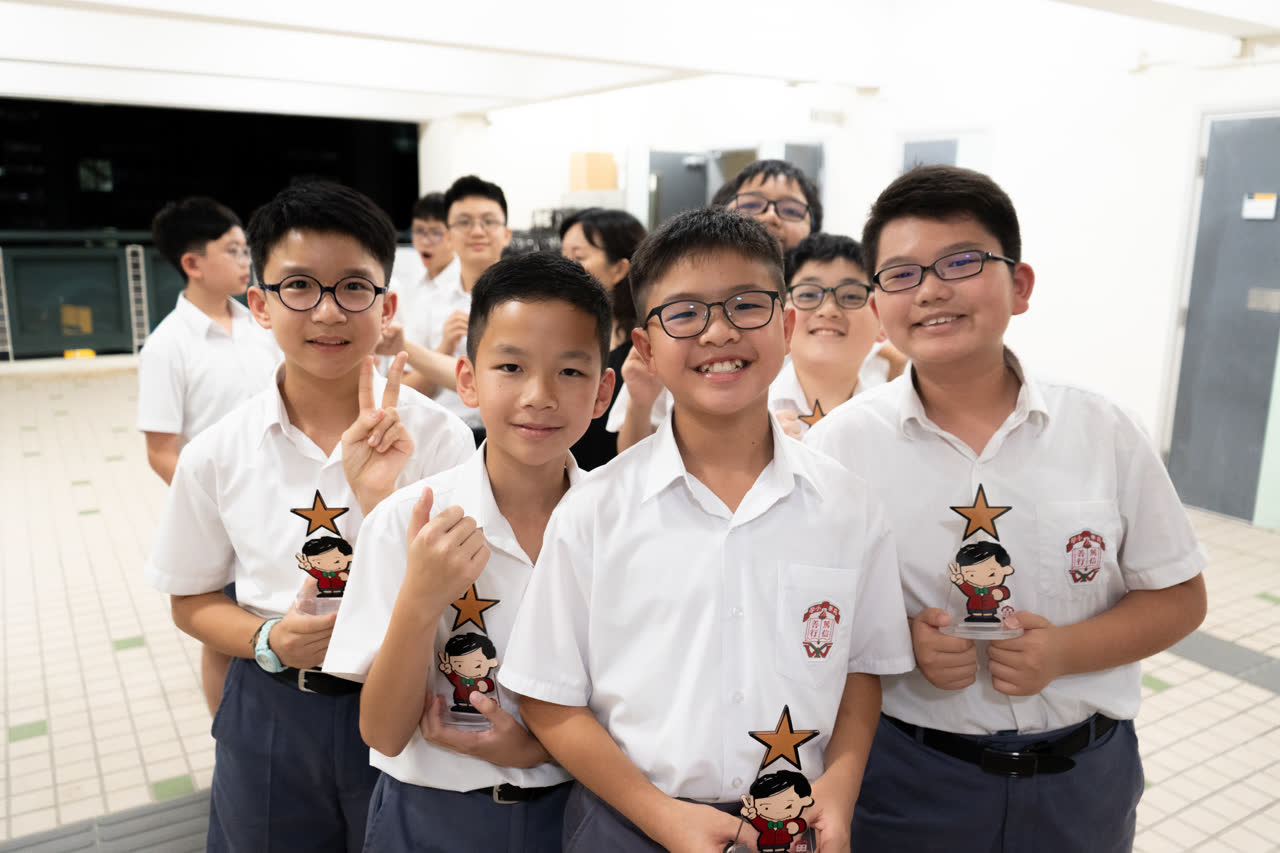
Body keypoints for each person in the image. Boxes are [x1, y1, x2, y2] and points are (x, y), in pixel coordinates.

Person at [806, 165, 1208, 852]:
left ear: (1019, 285)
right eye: (900, 274)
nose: (930, 289)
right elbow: (805, 615)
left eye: (961, 262)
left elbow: (1180, 597)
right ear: (877, 306)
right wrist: (900, 642)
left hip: (1083, 779)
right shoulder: (838, 447)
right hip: (908, 779)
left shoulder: (1104, 429)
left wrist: (1066, 651)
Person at [499, 208, 914, 853]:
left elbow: (861, 669)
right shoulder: (594, 512)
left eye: (746, 305)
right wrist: (663, 817)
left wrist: (840, 784)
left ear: (786, 325)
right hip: (630, 823)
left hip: (793, 826)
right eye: (685, 313)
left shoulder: (848, 507)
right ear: (645, 348)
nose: (719, 331)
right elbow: (549, 699)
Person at [143, 180, 475, 851]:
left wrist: (384, 502)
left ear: (387, 306)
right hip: (273, 704)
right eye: (299, 286)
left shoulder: (441, 438)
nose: (327, 311)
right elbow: (191, 600)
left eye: (353, 287)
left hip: (407, 698)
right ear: (261, 305)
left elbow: (468, 594)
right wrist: (269, 639)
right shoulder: (217, 453)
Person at [322, 253, 616, 851]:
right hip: (431, 815)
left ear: (602, 391)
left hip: (584, 810)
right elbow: (382, 731)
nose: (539, 395)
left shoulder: (621, 526)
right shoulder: (407, 522)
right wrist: (420, 599)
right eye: (510, 366)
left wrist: (533, 750)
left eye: (569, 371)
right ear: (467, 380)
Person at [138, 195, 280, 715]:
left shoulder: (260, 326)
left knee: (268, 608)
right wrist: (220, 505)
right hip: (222, 509)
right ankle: (226, 732)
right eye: (234, 250)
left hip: (279, 501)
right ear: (192, 263)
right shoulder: (167, 346)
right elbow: (160, 451)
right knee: (223, 630)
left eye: (246, 250)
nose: (247, 261)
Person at [611, 158, 826, 451]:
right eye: (753, 204)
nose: (771, 216)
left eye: (790, 210)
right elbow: (632, 457)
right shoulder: (670, 334)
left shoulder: (828, 325)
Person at [388, 176, 512, 440]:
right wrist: (444, 347)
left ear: (506, 234)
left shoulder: (526, 303)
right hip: (444, 436)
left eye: (488, 221)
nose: (477, 231)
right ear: (449, 236)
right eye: (464, 222)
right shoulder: (427, 300)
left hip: (509, 434)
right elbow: (405, 388)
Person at [772, 233, 906, 440]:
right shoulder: (749, 414)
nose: (828, 310)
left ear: (881, 320)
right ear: (782, 319)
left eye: (851, 296)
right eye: (808, 295)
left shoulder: (899, 420)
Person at [559, 207, 646, 469]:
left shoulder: (643, 348)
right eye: (563, 256)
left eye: (578, 257)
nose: (565, 268)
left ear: (619, 269)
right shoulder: (561, 332)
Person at [385, 192, 461, 357]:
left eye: (435, 232)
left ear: (451, 235)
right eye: (419, 231)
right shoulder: (412, 284)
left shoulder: (462, 286)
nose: (425, 241)